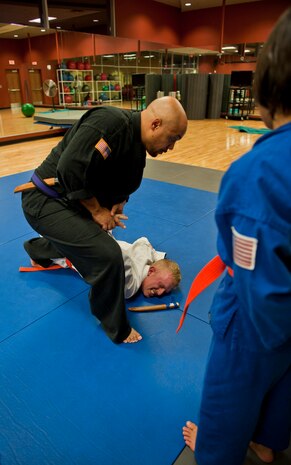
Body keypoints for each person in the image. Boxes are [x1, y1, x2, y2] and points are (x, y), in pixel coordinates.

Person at [182, 8, 291, 465]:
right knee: (285, 380)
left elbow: (262, 295)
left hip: (256, 318)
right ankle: (267, 441)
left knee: (232, 390)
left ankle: (215, 450)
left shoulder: (259, 173)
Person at [19, 96, 187, 344]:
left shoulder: (136, 150)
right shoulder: (109, 123)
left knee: (89, 241)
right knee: (107, 255)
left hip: (72, 205)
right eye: (172, 138)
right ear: (155, 124)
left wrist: (117, 204)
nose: (170, 146)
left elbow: (123, 183)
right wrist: (97, 212)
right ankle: (113, 324)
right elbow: (70, 170)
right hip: (44, 200)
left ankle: (37, 250)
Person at [23, 235, 182, 299]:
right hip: (82, 251)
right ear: (152, 271)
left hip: (91, 245)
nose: (160, 292)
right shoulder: (132, 284)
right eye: (161, 285)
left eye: (164, 291)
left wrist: (158, 258)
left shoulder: (147, 257)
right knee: (37, 248)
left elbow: (144, 241)